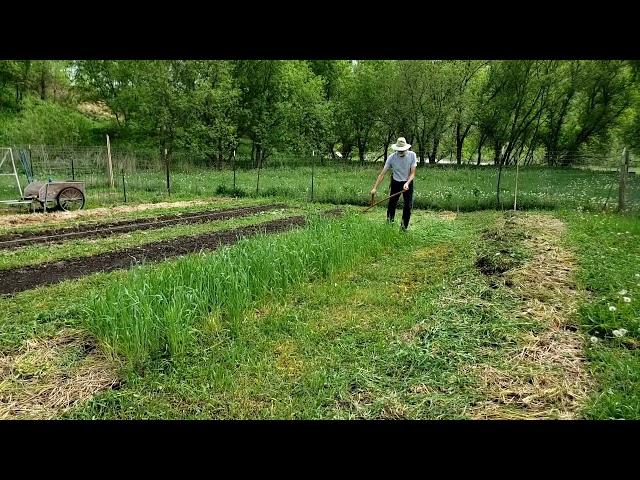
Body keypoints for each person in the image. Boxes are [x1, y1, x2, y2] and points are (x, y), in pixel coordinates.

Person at [370, 137, 417, 230]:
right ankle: (389, 225)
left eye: (402, 150)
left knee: (408, 206)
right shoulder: (391, 158)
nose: (401, 152)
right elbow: (382, 174)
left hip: (407, 183)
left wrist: (407, 183)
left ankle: (403, 228)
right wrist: (374, 188)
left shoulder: (412, 155)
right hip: (395, 182)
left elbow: (413, 173)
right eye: (399, 150)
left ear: (406, 148)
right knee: (392, 204)